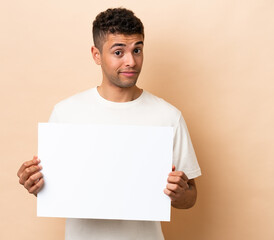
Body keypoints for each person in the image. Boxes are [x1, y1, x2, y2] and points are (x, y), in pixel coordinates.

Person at [17, 7, 201, 240]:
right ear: (96, 55)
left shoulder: (168, 116)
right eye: (118, 52)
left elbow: (190, 198)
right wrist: (34, 183)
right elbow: (54, 189)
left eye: (137, 50)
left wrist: (179, 193)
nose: (131, 61)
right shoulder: (66, 113)